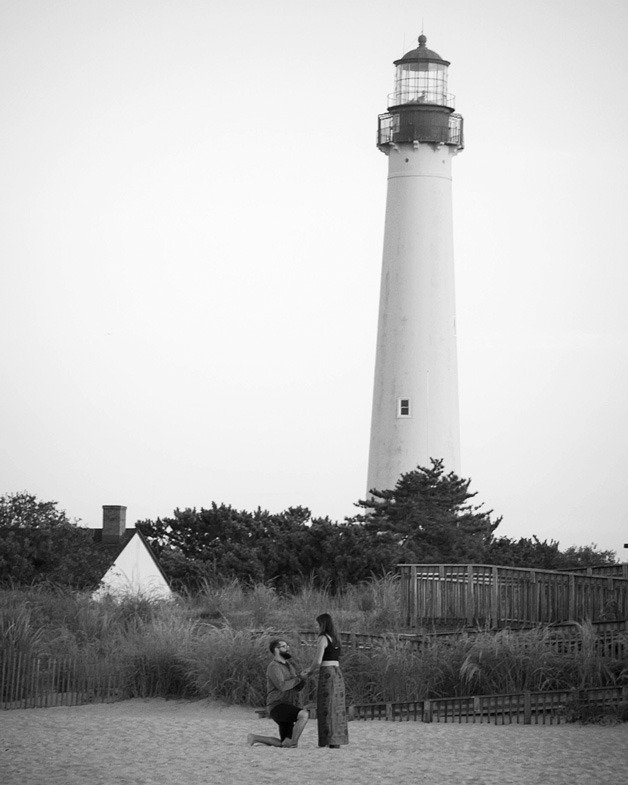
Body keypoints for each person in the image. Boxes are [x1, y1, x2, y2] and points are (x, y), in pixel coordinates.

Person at [247, 638, 309, 748]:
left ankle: (254, 737)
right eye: (284, 646)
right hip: (277, 706)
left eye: (287, 646)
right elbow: (282, 686)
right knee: (304, 715)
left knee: (284, 743)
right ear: (276, 649)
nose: (288, 648)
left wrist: (303, 679)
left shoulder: (289, 666)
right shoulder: (273, 666)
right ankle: (294, 743)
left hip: (288, 705)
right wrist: (298, 678)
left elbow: (296, 688)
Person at [304, 612, 349, 748]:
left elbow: (318, 661)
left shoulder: (323, 638)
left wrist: (309, 671)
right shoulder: (336, 638)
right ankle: (337, 740)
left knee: (326, 706)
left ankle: (328, 739)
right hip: (337, 673)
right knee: (337, 707)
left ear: (322, 624)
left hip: (327, 674)